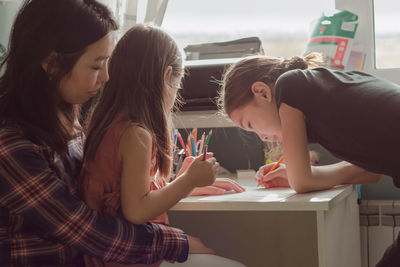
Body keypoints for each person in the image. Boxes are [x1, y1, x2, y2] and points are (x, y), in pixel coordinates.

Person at [0, 0, 232, 266]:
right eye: (96, 66)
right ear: (52, 63)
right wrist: (176, 241)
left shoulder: (66, 120)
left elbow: (105, 192)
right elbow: (89, 231)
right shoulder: (10, 145)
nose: (106, 77)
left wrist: (179, 186)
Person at [79, 23, 246, 267]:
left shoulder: (106, 124)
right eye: (177, 84)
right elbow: (136, 210)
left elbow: (130, 193)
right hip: (129, 259)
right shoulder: (136, 134)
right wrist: (188, 180)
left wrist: (185, 185)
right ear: (167, 76)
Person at [217, 52, 400, 266]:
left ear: (262, 92)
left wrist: (302, 176)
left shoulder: (291, 84)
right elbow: (370, 172)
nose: (262, 137)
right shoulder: (323, 98)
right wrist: (301, 175)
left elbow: (302, 183)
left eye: (250, 125)